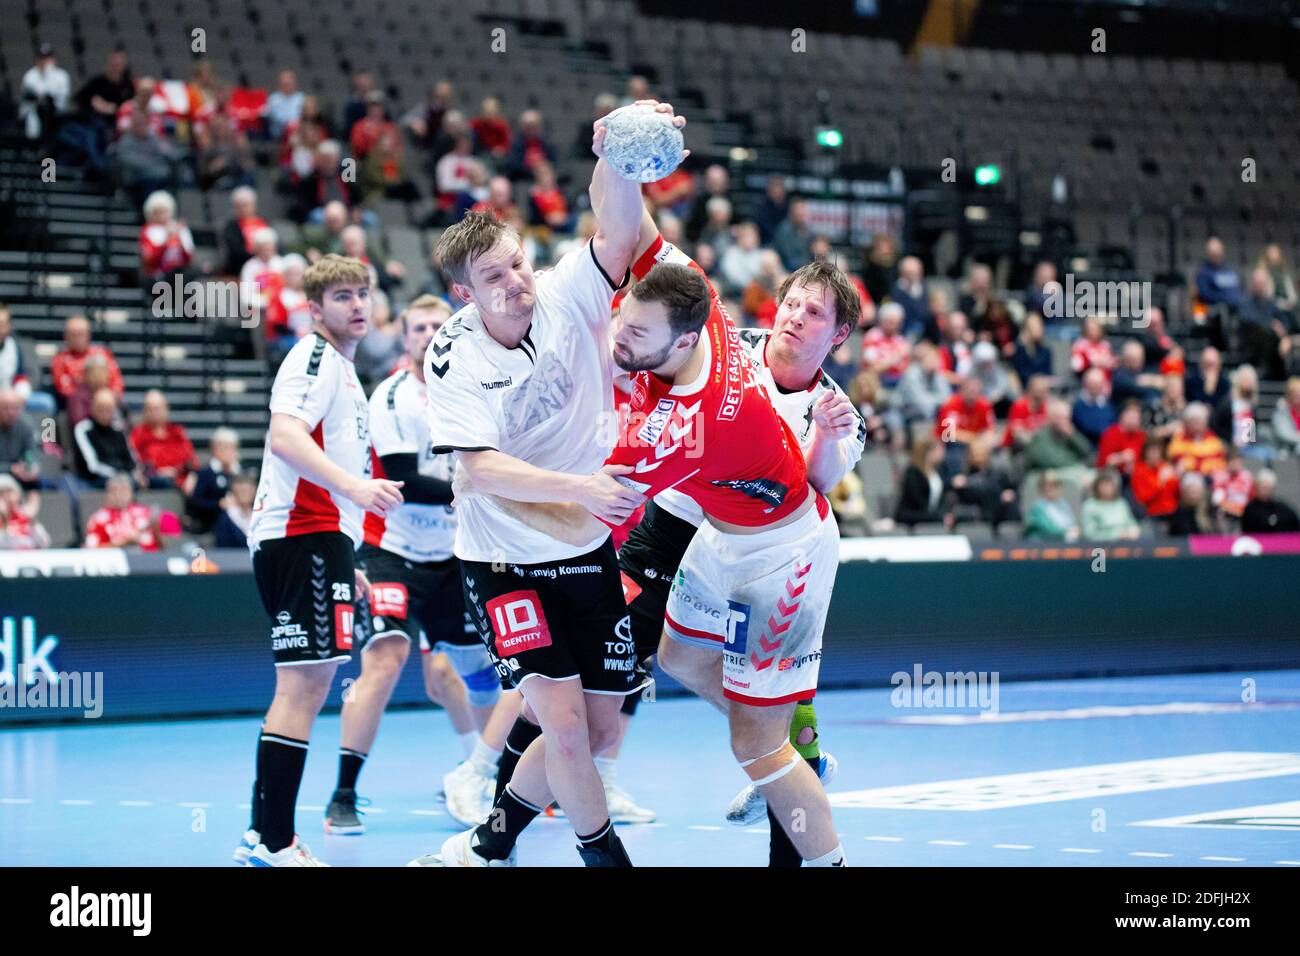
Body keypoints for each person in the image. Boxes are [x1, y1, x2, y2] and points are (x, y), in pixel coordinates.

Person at [410, 106, 677, 869]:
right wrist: (583, 487)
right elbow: (477, 469)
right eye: (493, 277)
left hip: (583, 550)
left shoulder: (566, 295)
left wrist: (618, 154)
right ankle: (607, 862)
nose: (515, 283)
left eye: (518, 264)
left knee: (594, 733)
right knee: (560, 726)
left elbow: (618, 232)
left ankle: (486, 843)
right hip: (502, 564)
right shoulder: (454, 359)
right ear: (466, 294)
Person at [234, 255, 406, 868]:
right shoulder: (312, 358)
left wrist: (346, 551)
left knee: (311, 681)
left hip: (321, 539)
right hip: (301, 535)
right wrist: (356, 495)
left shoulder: (342, 369)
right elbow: (285, 437)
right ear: (314, 308)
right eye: (341, 296)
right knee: (303, 685)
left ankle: (264, 835)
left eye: (363, 292)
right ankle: (274, 840)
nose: (357, 304)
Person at [323, 295, 500, 835]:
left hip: (454, 554)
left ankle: (484, 774)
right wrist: (481, 485)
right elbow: (403, 479)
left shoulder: (469, 392)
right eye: (417, 326)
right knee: (386, 658)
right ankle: (343, 794)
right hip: (390, 551)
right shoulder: (394, 397)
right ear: (404, 338)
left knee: (481, 675)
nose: (427, 334)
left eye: (436, 325)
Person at [129, 389, 197, 487]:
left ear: (166, 409)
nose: (154, 413)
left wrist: (191, 475)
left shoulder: (177, 432)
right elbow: (135, 463)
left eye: (157, 408)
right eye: (150, 409)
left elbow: (192, 460)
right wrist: (157, 472)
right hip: (155, 481)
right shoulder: (137, 434)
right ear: (144, 411)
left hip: (181, 479)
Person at [72, 388, 139, 487]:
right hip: (96, 480)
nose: (106, 412)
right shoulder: (83, 429)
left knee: (159, 482)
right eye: (101, 408)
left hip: (123, 477)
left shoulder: (118, 429)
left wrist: (130, 473)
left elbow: (130, 460)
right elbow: (92, 467)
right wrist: (118, 475)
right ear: (93, 408)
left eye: (109, 408)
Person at [83, 473, 160, 550]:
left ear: (131, 493)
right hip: (116, 560)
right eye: (114, 491)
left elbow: (166, 543)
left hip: (151, 558)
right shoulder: (99, 519)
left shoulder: (145, 512)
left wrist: (157, 530)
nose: (119, 495)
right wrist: (123, 542)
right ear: (108, 494)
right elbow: (91, 552)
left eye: (124, 490)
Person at [895, 436, 952, 530]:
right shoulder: (913, 472)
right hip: (913, 516)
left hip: (929, 516)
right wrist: (937, 517)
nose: (943, 453)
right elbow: (916, 500)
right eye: (939, 450)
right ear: (929, 452)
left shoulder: (938, 472)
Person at [1080, 469, 1140, 541]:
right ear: (1097, 486)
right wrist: (1116, 535)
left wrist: (1134, 529)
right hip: (1102, 547)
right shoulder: (1089, 506)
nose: (1107, 488)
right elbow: (1089, 534)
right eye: (1104, 485)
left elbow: (1131, 522)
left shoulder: (1121, 503)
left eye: (1110, 485)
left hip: (1127, 544)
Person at [1131, 439, 1180, 520]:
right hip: (1152, 514)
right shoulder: (1139, 471)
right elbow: (1142, 498)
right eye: (1151, 452)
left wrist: (1178, 476)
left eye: (1157, 452)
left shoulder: (1166, 467)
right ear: (1145, 453)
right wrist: (1160, 482)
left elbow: (1176, 493)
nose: (1154, 455)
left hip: (1172, 512)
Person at [1024, 470, 1078, 541]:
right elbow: (1048, 530)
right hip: (1044, 545)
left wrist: (1074, 530)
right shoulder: (1037, 508)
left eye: (1055, 485)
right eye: (1047, 485)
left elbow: (1072, 524)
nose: (1051, 488)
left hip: (1065, 543)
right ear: (1041, 488)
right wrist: (1065, 533)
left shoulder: (1063, 504)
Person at [1241, 469, 1300, 534]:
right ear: (1256, 487)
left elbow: (1294, 522)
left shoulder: (1283, 509)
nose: (1264, 492)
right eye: (1262, 488)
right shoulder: (1250, 509)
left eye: (1267, 488)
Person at [212, 471, 256, 548]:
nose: (245, 495)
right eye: (242, 491)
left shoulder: (258, 516)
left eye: (248, 491)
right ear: (233, 492)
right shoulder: (226, 519)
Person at [1271, 377, 1300, 457]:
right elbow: (1284, 434)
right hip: (1285, 452)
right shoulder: (1280, 411)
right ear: (1288, 394)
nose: (1296, 396)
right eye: (1293, 393)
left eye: (1298, 393)